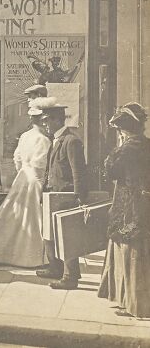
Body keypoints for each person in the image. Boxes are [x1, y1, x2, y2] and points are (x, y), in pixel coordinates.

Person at [0, 98, 50, 267]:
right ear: (43, 120)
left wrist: (22, 170)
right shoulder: (43, 140)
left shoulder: (25, 136)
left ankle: (3, 251)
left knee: (15, 215)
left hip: (22, 177)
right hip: (35, 179)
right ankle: (28, 256)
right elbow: (39, 165)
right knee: (31, 219)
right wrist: (42, 181)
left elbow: (17, 158)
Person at [98, 103, 150, 318]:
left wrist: (118, 147)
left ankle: (135, 304)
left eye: (119, 130)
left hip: (129, 207)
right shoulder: (147, 145)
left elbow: (109, 172)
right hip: (144, 204)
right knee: (141, 251)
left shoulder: (127, 148)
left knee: (129, 252)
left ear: (125, 130)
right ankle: (133, 301)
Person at [35, 99, 88, 290]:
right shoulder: (56, 140)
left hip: (65, 196)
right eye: (43, 120)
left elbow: (78, 172)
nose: (44, 124)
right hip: (52, 194)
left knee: (67, 236)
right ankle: (55, 267)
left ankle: (70, 276)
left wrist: (79, 196)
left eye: (47, 120)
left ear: (58, 120)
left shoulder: (71, 141)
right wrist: (43, 191)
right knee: (48, 234)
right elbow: (49, 170)